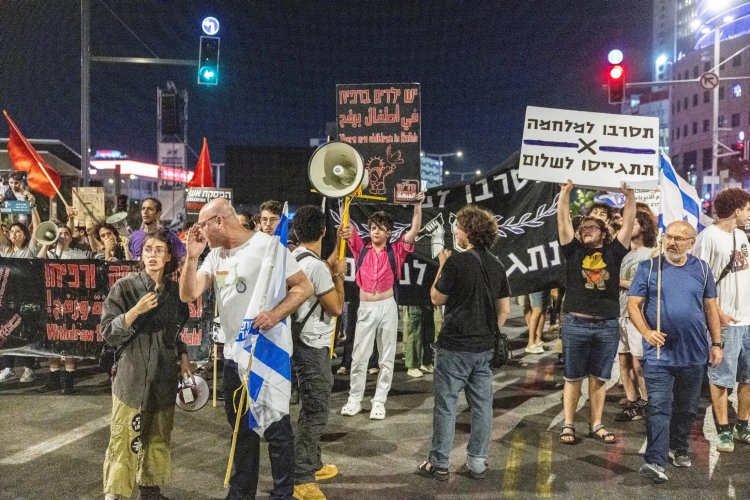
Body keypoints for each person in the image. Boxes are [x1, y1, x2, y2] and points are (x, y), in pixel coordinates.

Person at [178, 198, 313, 500]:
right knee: (240, 430)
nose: (200, 232)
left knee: (277, 428)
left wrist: (276, 314)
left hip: (267, 352)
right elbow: (188, 294)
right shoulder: (214, 256)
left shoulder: (269, 247)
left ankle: (283, 493)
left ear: (219, 221)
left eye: (202, 225)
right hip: (233, 356)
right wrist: (191, 257)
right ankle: (241, 493)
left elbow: (304, 287)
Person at [417, 204, 510, 481]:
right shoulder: (496, 264)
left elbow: (436, 298)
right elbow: (503, 310)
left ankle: (439, 463)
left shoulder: (456, 262)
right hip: (484, 349)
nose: (455, 231)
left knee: (446, 406)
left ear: (468, 232)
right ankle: (477, 463)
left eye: (457, 227)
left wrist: (443, 265)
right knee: (482, 407)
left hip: (454, 347)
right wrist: (487, 331)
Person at [628, 221, 722, 483]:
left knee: (687, 408)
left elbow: (711, 308)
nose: (672, 242)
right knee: (658, 406)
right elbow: (634, 305)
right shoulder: (649, 269)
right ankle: (655, 461)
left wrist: (717, 343)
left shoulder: (702, 270)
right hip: (659, 355)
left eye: (680, 238)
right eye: (669, 237)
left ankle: (678, 446)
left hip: (694, 354)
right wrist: (646, 332)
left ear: (691, 243)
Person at [100, 231, 190, 500]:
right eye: (148, 249)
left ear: (168, 257)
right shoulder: (124, 288)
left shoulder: (175, 293)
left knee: (158, 437)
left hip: (163, 379)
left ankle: (150, 488)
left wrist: (184, 355)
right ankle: (115, 494)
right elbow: (107, 331)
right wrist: (134, 311)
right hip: (131, 378)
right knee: (123, 440)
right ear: (141, 254)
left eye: (159, 250)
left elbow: (176, 332)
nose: (153, 255)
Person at [556, 180, 635, 445]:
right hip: (576, 323)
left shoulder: (614, 252)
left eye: (592, 227)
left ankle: (596, 424)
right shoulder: (573, 250)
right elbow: (563, 221)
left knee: (599, 378)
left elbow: (627, 224)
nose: (585, 230)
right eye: (583, 228)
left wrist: (630, 197)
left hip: (606, 325)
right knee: (572, 377)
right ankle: (568, 424)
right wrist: (565, 193)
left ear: (603, 232)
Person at [339, 193, 424, 420]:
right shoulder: (360, 247)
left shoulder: (397, 250)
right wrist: (344, 198)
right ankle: (354, 399)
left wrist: (417, 206)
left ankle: (379, 401)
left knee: (386, 357)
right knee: (359, 357)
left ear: (389, 231)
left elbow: (414, 230)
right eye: (373, 227)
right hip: (365, 307)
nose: (376, 231)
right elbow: (345, 224)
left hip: (387, 306)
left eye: (381, 227)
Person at [290, 205, 345, 500]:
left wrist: (337, 246)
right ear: (322, 231)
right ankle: (301, 477)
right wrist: (339, 277)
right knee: (315, 410)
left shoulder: (294, 258)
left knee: (311, 405)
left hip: (297, 342)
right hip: (313, 346)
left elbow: (321, 265)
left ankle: (313, 462)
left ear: (296, 232)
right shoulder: (319, 269)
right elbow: (336, 307)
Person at [693, 187, 750, 453]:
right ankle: (724, 430)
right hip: (724, 322)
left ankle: (743, 424)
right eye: (748, 209)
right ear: (737, 210)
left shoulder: (741, 236)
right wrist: (715, 312)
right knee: (721, 377)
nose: (749, 214)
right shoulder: (708, 238)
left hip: (747, 319)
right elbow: (699, 280)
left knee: (747, 377)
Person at [615, 211, 657, 422]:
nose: (628, 225)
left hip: (638, 316)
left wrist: (618, 282)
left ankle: (648, 402)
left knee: (639, 363)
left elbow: (650, 285)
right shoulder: (621, 253)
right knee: (623, 360)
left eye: (634, 222)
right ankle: (632, 403)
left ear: (644, 227)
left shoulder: (652, 254)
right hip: (620, 314)